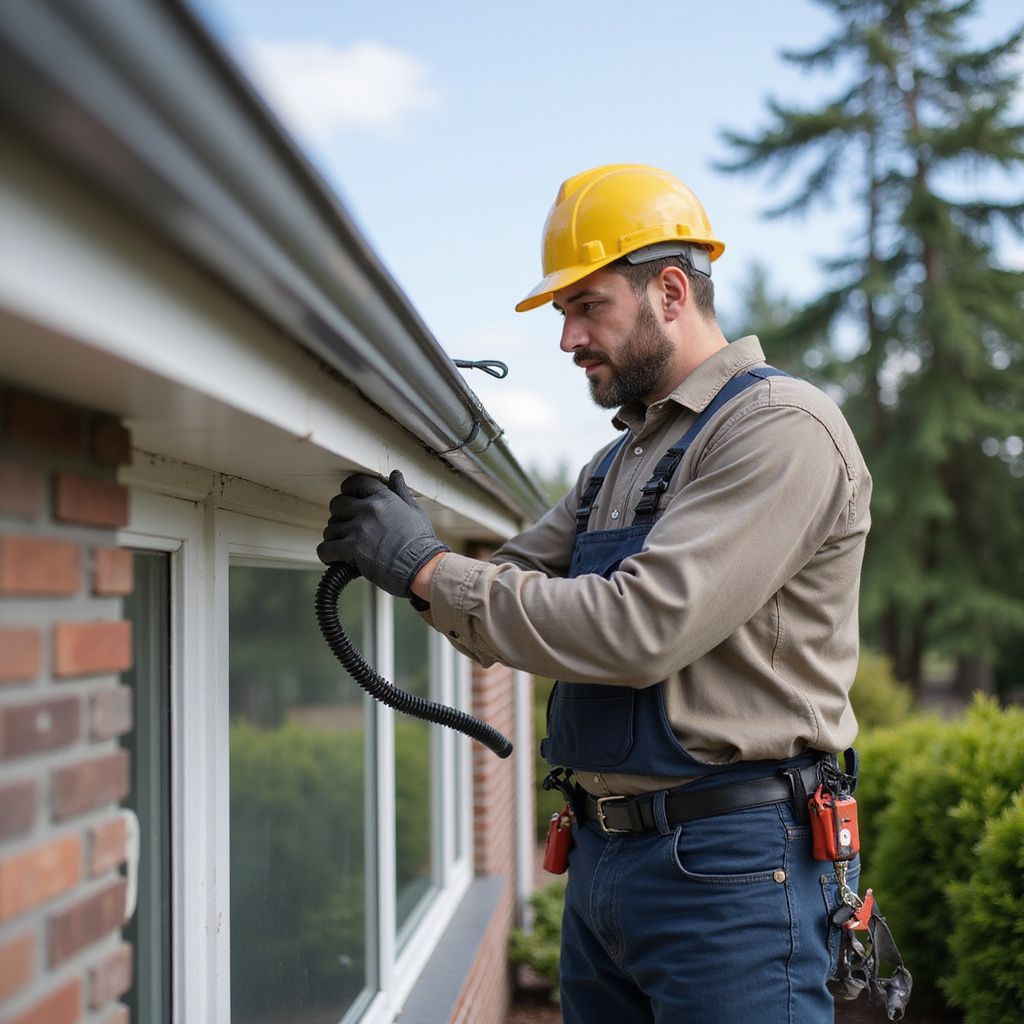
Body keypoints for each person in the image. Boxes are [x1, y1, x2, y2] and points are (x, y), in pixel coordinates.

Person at [318, 163, 871, 1024]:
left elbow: (640, 627)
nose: (568, 338)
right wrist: (411, 547)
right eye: (563, 314)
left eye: (587, 306)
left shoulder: (778, 429)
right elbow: (505, 591)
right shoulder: (618, 463)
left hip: (734, 870)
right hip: (605, 860)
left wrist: (424, 567)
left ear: (671, 291)